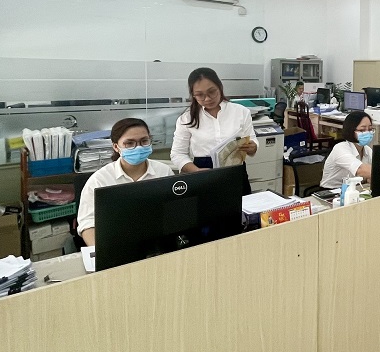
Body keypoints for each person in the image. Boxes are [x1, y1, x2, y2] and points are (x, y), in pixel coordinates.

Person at [77, 118, 173, 246]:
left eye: (144, 141)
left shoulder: (164, 171)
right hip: (116, 243)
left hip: (157, 240)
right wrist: (100, 251)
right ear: (116, 147)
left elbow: (173, 211)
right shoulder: (100, 180)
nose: (138, 147)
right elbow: (87, 222)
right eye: (130, 143)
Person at [171, 68, 258, 189]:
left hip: (235, 170)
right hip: (203, 172)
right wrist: (196, 171)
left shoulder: (241, 112)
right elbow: (177, 154)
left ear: (220, 87)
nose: (207, 98)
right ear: (193, 95)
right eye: (200, 95)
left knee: (240, 201)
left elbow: (252, 140)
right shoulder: (186, 119)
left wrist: (253, 147)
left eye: (211, 92)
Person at [320, 111, 374, 189]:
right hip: (332, 191)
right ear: (351, 131)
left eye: (370, 129)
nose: (368, 133)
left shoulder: (368, 150)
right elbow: (361, 170)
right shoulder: (340, 149)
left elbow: (370, 176)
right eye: (362, 130)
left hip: (354, 189)